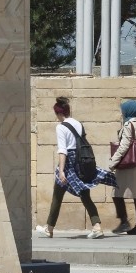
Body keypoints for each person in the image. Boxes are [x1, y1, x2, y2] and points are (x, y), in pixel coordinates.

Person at [36, 97, 102, 240]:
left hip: (69, 162)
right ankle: (96, 226)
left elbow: (63, 150)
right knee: (84, 193)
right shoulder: (78, 123)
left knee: (57, 195)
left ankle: (49, 228)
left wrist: (61, 170)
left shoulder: (61, 127)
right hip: (81, 161)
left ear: (59, 114)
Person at [106, 99, 136, 235]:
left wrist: (112, 162)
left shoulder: (128, 125)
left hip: (129, 165)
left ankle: (124, 221)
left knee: (116, 192)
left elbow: (124, 146)